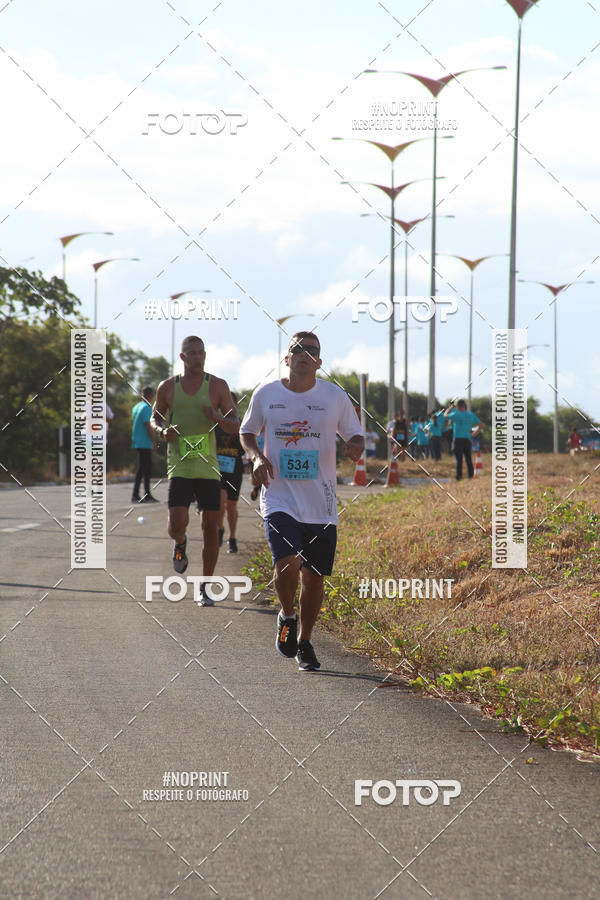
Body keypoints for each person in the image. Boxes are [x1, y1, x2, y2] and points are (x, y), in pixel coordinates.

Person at [240, 332, 364, 671]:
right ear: (287, 358)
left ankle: (305, 641)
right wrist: (256, 457)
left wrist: (355, 446)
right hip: (279, 495)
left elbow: (355, 434)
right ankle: (287, 615)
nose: (304, 354)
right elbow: (246, 431)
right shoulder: (267, 394)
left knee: (313, 577)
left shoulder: (334, 396)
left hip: (321, 502)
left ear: (319, 361)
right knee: (288, 562)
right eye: (297, 348)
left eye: (311, 350)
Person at [151, 335, 238, 605]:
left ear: (205, 355)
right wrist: (163, 431)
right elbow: (154, 418)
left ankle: (205, 587)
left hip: (207, 467)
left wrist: (217, 417)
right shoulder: (168, 387)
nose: (198, 357)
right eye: (192, 353)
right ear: (183, 357)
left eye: (201, 352)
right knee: (176, 524)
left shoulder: (218, 386)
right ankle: (180, 542)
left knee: (211, 527)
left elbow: (235, 425)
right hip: (179, 465)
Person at [216, 392, 244, 553]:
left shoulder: (242, 425)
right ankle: (220, 528)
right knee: (221, 499)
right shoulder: (215, 424)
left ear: (236, 405)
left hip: (235, 469)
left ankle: (232, 537)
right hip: (217, 469)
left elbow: (247, 446)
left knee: (231, 506)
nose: (228, 407)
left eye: (231, 404)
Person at [131, 385, 158, 503]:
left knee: (145, 468)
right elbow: (148, 425)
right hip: (145, 442)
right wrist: (153, 441)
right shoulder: (147, 408)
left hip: (137, 440)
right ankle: (137, 495)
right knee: (144, 469)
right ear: (151, 396)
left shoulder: (136, 407)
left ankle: (145, 494)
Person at [444, 400, 483, 480]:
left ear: (457, 407)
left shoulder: (456, 414)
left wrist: (450, 408)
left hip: (457, 439)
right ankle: (470, 476)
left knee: (459, 460)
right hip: (467, 439)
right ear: (464, 405)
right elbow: (481, 425)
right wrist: (473, 434)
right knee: (468, 459)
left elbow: (445, 415)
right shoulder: (471, 415)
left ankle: (459, 477)